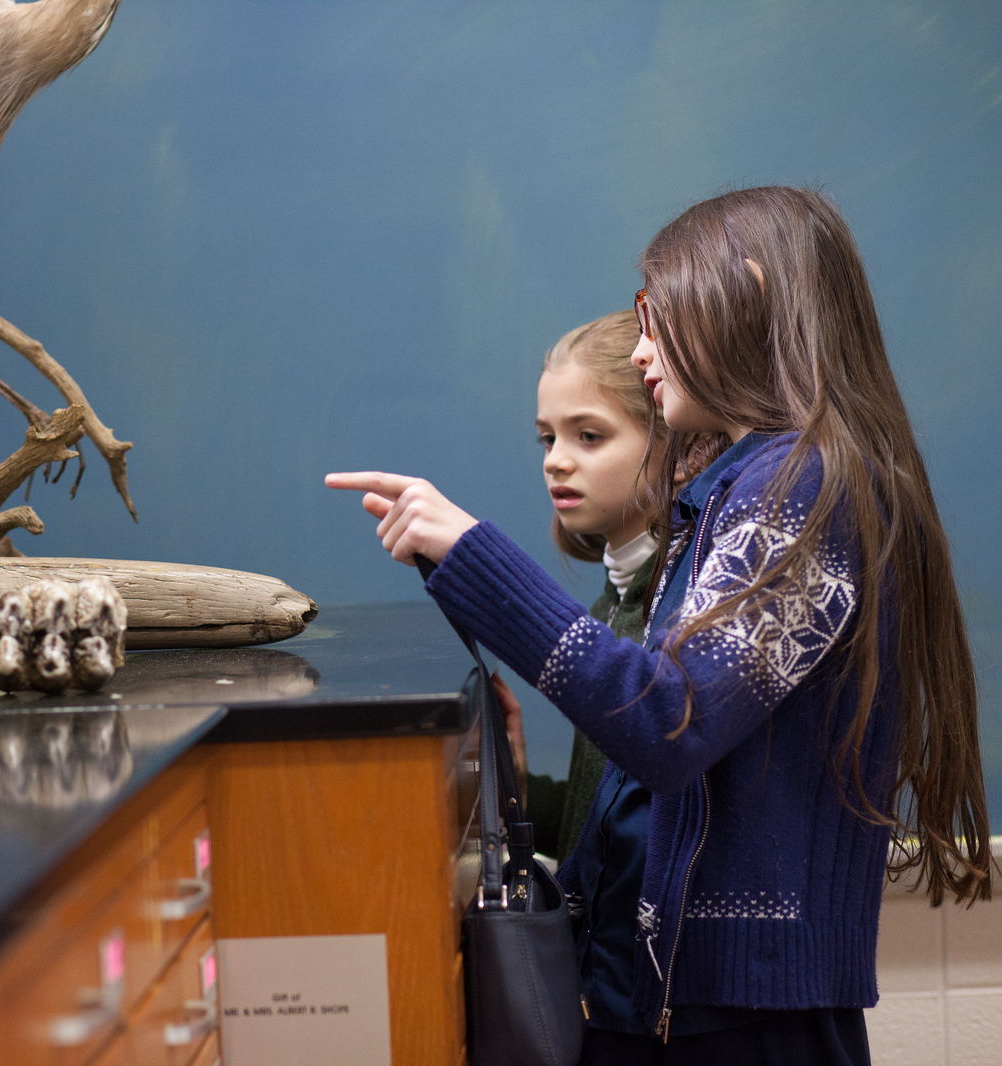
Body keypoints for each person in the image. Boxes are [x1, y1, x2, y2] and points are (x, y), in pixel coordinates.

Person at [327, 185, 990, 1065]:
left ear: (746, 292)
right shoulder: (749, 487)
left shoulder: (803, 485)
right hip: (687, 1006)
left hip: (741, 1022)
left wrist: (474, 552)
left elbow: (666, 721)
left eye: (656, 316)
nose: (642, 349)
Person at [533, 309, 690, 860]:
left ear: (675, 449)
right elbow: (594, 832)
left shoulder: (672, 609)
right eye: (548, 439)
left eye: (589, 436)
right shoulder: (614, 601)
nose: (556, 462)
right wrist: (507, 772)